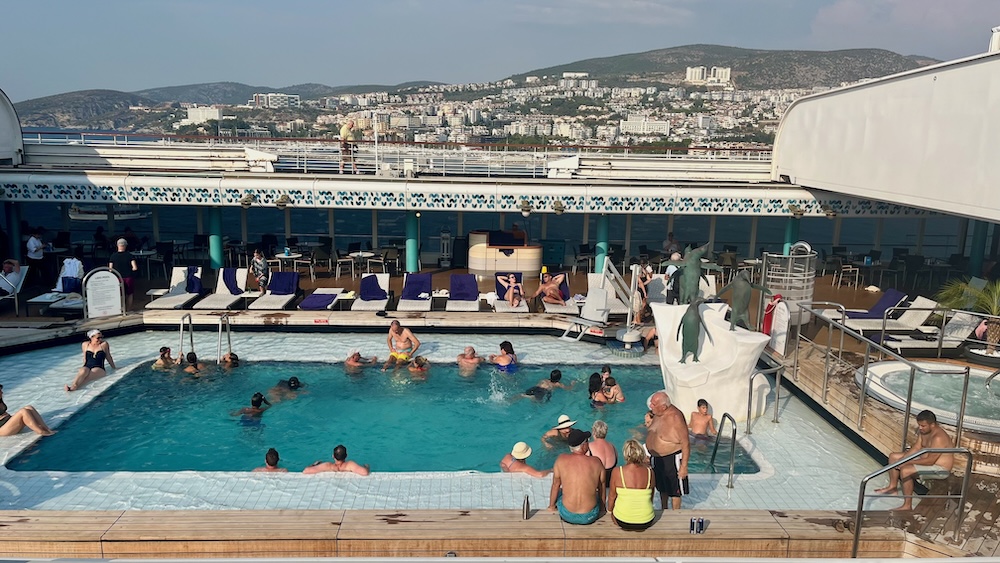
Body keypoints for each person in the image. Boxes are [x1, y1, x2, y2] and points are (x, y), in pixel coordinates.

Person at [874, 410, 955, 511]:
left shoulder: (938, 438)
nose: (920, 428)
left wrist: (907, 462)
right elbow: (916, 448)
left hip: (939, 469)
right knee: (894, 457)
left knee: (905, 470)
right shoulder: (924, 431)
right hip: (924, 459)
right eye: (919, 425)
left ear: (933, 425)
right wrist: (903, 459)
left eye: (923, 426)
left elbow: (930, 461)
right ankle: (892, 487)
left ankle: (907, 505)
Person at [547, 428, 605, 525]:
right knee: (594, 494)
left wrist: (551, 506)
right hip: (589, 516)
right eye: (587, 441)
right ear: (583, 446)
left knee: (561, 492)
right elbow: (602, 487)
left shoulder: (561, 460)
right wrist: (603, 509)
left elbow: (555, 485)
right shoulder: (596, 462)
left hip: (567, 514)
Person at [646, 391, 690, 509]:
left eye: (653, 404)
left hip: (672, 458)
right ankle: (664, 509)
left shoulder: (675, 418)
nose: (650, 406)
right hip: (656, 458)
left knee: (674, 491)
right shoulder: (658, 413)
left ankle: (675, 515)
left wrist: (684, 466)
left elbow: (685, 442)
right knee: (662, 488)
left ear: (663, 406)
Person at [608, 439, 656, 531]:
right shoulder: (650, 472)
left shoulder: (618, 471)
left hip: (623, 520)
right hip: (646, 520)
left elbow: (612, 496)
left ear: (626, 454)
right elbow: (651, 497)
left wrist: (609, 511)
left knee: (614, 514)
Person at [109, 238, 139, 310]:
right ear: (125, 246)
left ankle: (121, 309)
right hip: (128, 277)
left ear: (117, 245)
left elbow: (110, 269)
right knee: (129, 294)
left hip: (118, 278)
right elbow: (135, 267)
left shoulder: (113, 256)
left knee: (120, 294)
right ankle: (128, 309)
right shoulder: (129, 255)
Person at [303, 444, 370, 475]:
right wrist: (366, 467)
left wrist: (314, 464)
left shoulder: (328, 466)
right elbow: (364, 472)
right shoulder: (349, 465)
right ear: (346, 456)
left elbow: (306, 471)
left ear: (333, 456)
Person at [589, 420, 618, 490]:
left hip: (596, 486)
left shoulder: (589, 446)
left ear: (594, 432)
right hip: (609, 486)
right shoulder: (613, 447)